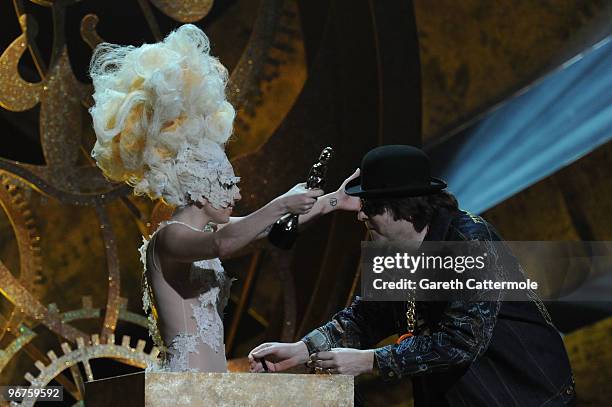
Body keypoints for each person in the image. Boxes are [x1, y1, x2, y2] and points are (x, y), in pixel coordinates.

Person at [88, 24, 354, 372]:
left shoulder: (208, 231)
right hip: (184, 388)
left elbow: (272, 228)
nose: (238, 192)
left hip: (213, 385)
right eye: (227, 183)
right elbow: (224, 244)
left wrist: (336, 199)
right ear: (197, 185)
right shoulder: (168, 238)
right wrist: (281, 202)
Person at [249, 145, 576, 406]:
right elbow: (368, 316)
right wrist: (303, 349)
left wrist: (370, 361)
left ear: (400, 206)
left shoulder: (469, 242)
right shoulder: (393, 249)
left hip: (521, 393)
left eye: (370, 206)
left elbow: (463, 340)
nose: (360, 213)